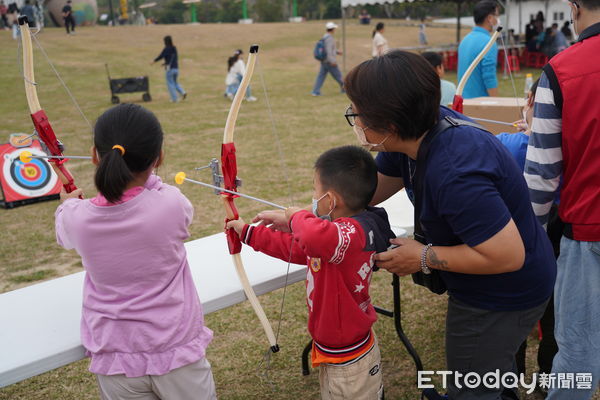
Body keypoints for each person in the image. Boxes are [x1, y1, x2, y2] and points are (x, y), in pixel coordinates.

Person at [344, 50, 556, 399]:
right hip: (501, 280)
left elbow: (507, 255)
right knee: (489, 376)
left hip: (503, 292)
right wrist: (316, 213)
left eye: (358, 114)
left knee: (471, 385)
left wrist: (423, 257)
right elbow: (371, 190)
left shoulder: (456, 171)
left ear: (390, 125)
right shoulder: (416, 128)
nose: (357, 123)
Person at [55, 103, 216, 400]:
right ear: (159, 158)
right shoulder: (170, 204)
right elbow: (168, 202)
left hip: (116, 358)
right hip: (176, 352)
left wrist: (67, 202)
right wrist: (146, 176)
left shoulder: (76, 217)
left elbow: (65, 231)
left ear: (94, 155)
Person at [226, 145, 391, 400]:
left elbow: (312, 235)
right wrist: (250, 233)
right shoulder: (335, 235)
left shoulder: (350, 233)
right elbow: (297, 247)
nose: (313, 198)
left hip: (351, 360)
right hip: (335, 353)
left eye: (316, 191)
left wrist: (295, 217)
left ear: (331, 200)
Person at [524, 0, 600, 397]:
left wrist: (529, 238)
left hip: (588, 233)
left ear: (573, 7)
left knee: (578, 353)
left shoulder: (563, 68)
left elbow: (541, 175)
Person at [457, 0, 500, 98]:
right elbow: (489, 77)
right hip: (480, 103)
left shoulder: (465, 40)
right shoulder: (488, 42)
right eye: (496, 15)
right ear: (489, 18)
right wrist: (496, 101)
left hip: (463, 100)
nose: (498, 20)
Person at [311, 21, 344, 97]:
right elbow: (329, 51)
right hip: (329, 61)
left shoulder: (324, 37)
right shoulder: (330, 38)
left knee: (321, 76)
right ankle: (345, 89)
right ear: (332, 29)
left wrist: (337, 52)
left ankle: (315, 91)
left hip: (324, 61)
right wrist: (332, 61)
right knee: (338, 76)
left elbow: (327, 50)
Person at [152, 35, 187, 103]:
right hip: (176, 69)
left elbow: (161, 56)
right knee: (175, 82)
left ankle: (174, 99)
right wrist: (165, 63)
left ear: (165, 42)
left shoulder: (166, 49)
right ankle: (183, 92)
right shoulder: (174, 48)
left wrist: (154, 61)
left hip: (170, 69)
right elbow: (172, 58)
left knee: (170, 84)